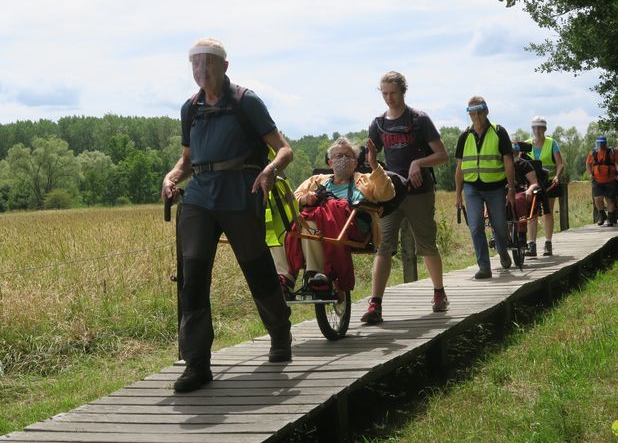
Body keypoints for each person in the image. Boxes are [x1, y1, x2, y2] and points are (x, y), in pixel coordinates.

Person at [162, 38, 294, 393]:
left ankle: (280, 334)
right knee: (193, 276)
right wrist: (172, 177)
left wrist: (269, 171)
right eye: (195, 65)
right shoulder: (190, 108)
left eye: (207, 64)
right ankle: (196, 363)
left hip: (240, 192)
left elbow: (283, 149)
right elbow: (187, 160)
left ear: (224, 66)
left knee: (256, 267)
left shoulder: (246, 101)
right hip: (200, 198)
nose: (201, 71)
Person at [361, 71, 449, 324]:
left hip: (419, 192)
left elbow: (442, 155)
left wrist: (418, 163)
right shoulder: (378, 123)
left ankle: (439, 293)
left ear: (403, 92)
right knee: (383, 245)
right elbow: (371, 159)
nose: (389, 98)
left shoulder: (419, 120)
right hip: (389, 193)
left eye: (393, 93)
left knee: (426, 243)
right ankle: (375, 304)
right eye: (384, 93)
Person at [271, 137, 395, 297]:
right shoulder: (317, 180)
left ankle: (315, 272)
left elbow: (387, 194)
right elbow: (294, 198)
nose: (342, 159)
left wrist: (374, 165)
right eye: (338, 156)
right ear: (330, 162)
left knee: (312, 219)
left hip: (352, 226)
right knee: (283, 226)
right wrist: (305, 198)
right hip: (319, 224)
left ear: (355, 162)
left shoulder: (364, 180)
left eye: (347, 156)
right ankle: (284, 278)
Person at [455, 96, 516, 279]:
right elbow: (459, 167)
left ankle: (503, 253)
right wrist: (458, 194)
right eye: (473, 111)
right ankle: (484, 267)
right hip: (471, 188)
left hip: (495, 187)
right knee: (475, 226)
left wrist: (511, 189)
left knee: (499, 227)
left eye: (480, 110)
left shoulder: (499, 132)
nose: (477, 115)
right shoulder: (464, 136)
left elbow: (508, 161)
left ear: (487, 111)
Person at [524, 116, 564, 257]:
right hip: (532, 183)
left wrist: (557, 176)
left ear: (545, 129)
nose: (537, 130)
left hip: (548, 183)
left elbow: (560, 163)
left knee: (548, 212)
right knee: (531, 213)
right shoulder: (527, 144)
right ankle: (531, 244)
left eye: (540, 127)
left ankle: (548, 243)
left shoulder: (552, 143)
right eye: (535, 127)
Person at [586, 136, 618, 227]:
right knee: (597, 199)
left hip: (611, 180)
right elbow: (588, 163)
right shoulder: (593, 153)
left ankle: (610, 218)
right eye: (599, 143)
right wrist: (590, 174)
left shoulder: (613, 152)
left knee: (610, 199)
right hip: (597, 180)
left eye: (602, 143)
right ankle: (602, 215)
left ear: (606, 143)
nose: (601, 145)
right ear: (597, 143)